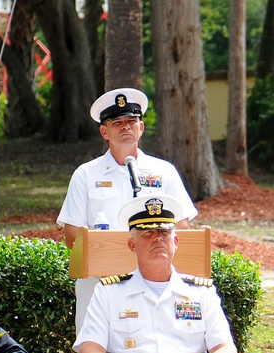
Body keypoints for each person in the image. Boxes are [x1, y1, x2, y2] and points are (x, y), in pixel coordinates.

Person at [74, 194, 237, 353]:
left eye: (164, 233)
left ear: (176, 242)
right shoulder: (109, 292)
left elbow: (224, 345)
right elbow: (90, 347)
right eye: (148, 234)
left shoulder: (201, 292)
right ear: (132, 245)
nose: (158, 239)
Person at [57, 87, 199, 334]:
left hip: (154, 285)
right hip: (100, 286)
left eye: (132, 121)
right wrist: (117, 253)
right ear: (104, 131)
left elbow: (183, 228)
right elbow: (72, 236)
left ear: (141, 128)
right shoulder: (86, 175)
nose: (125, 127)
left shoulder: (164, 171)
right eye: (117, 122)